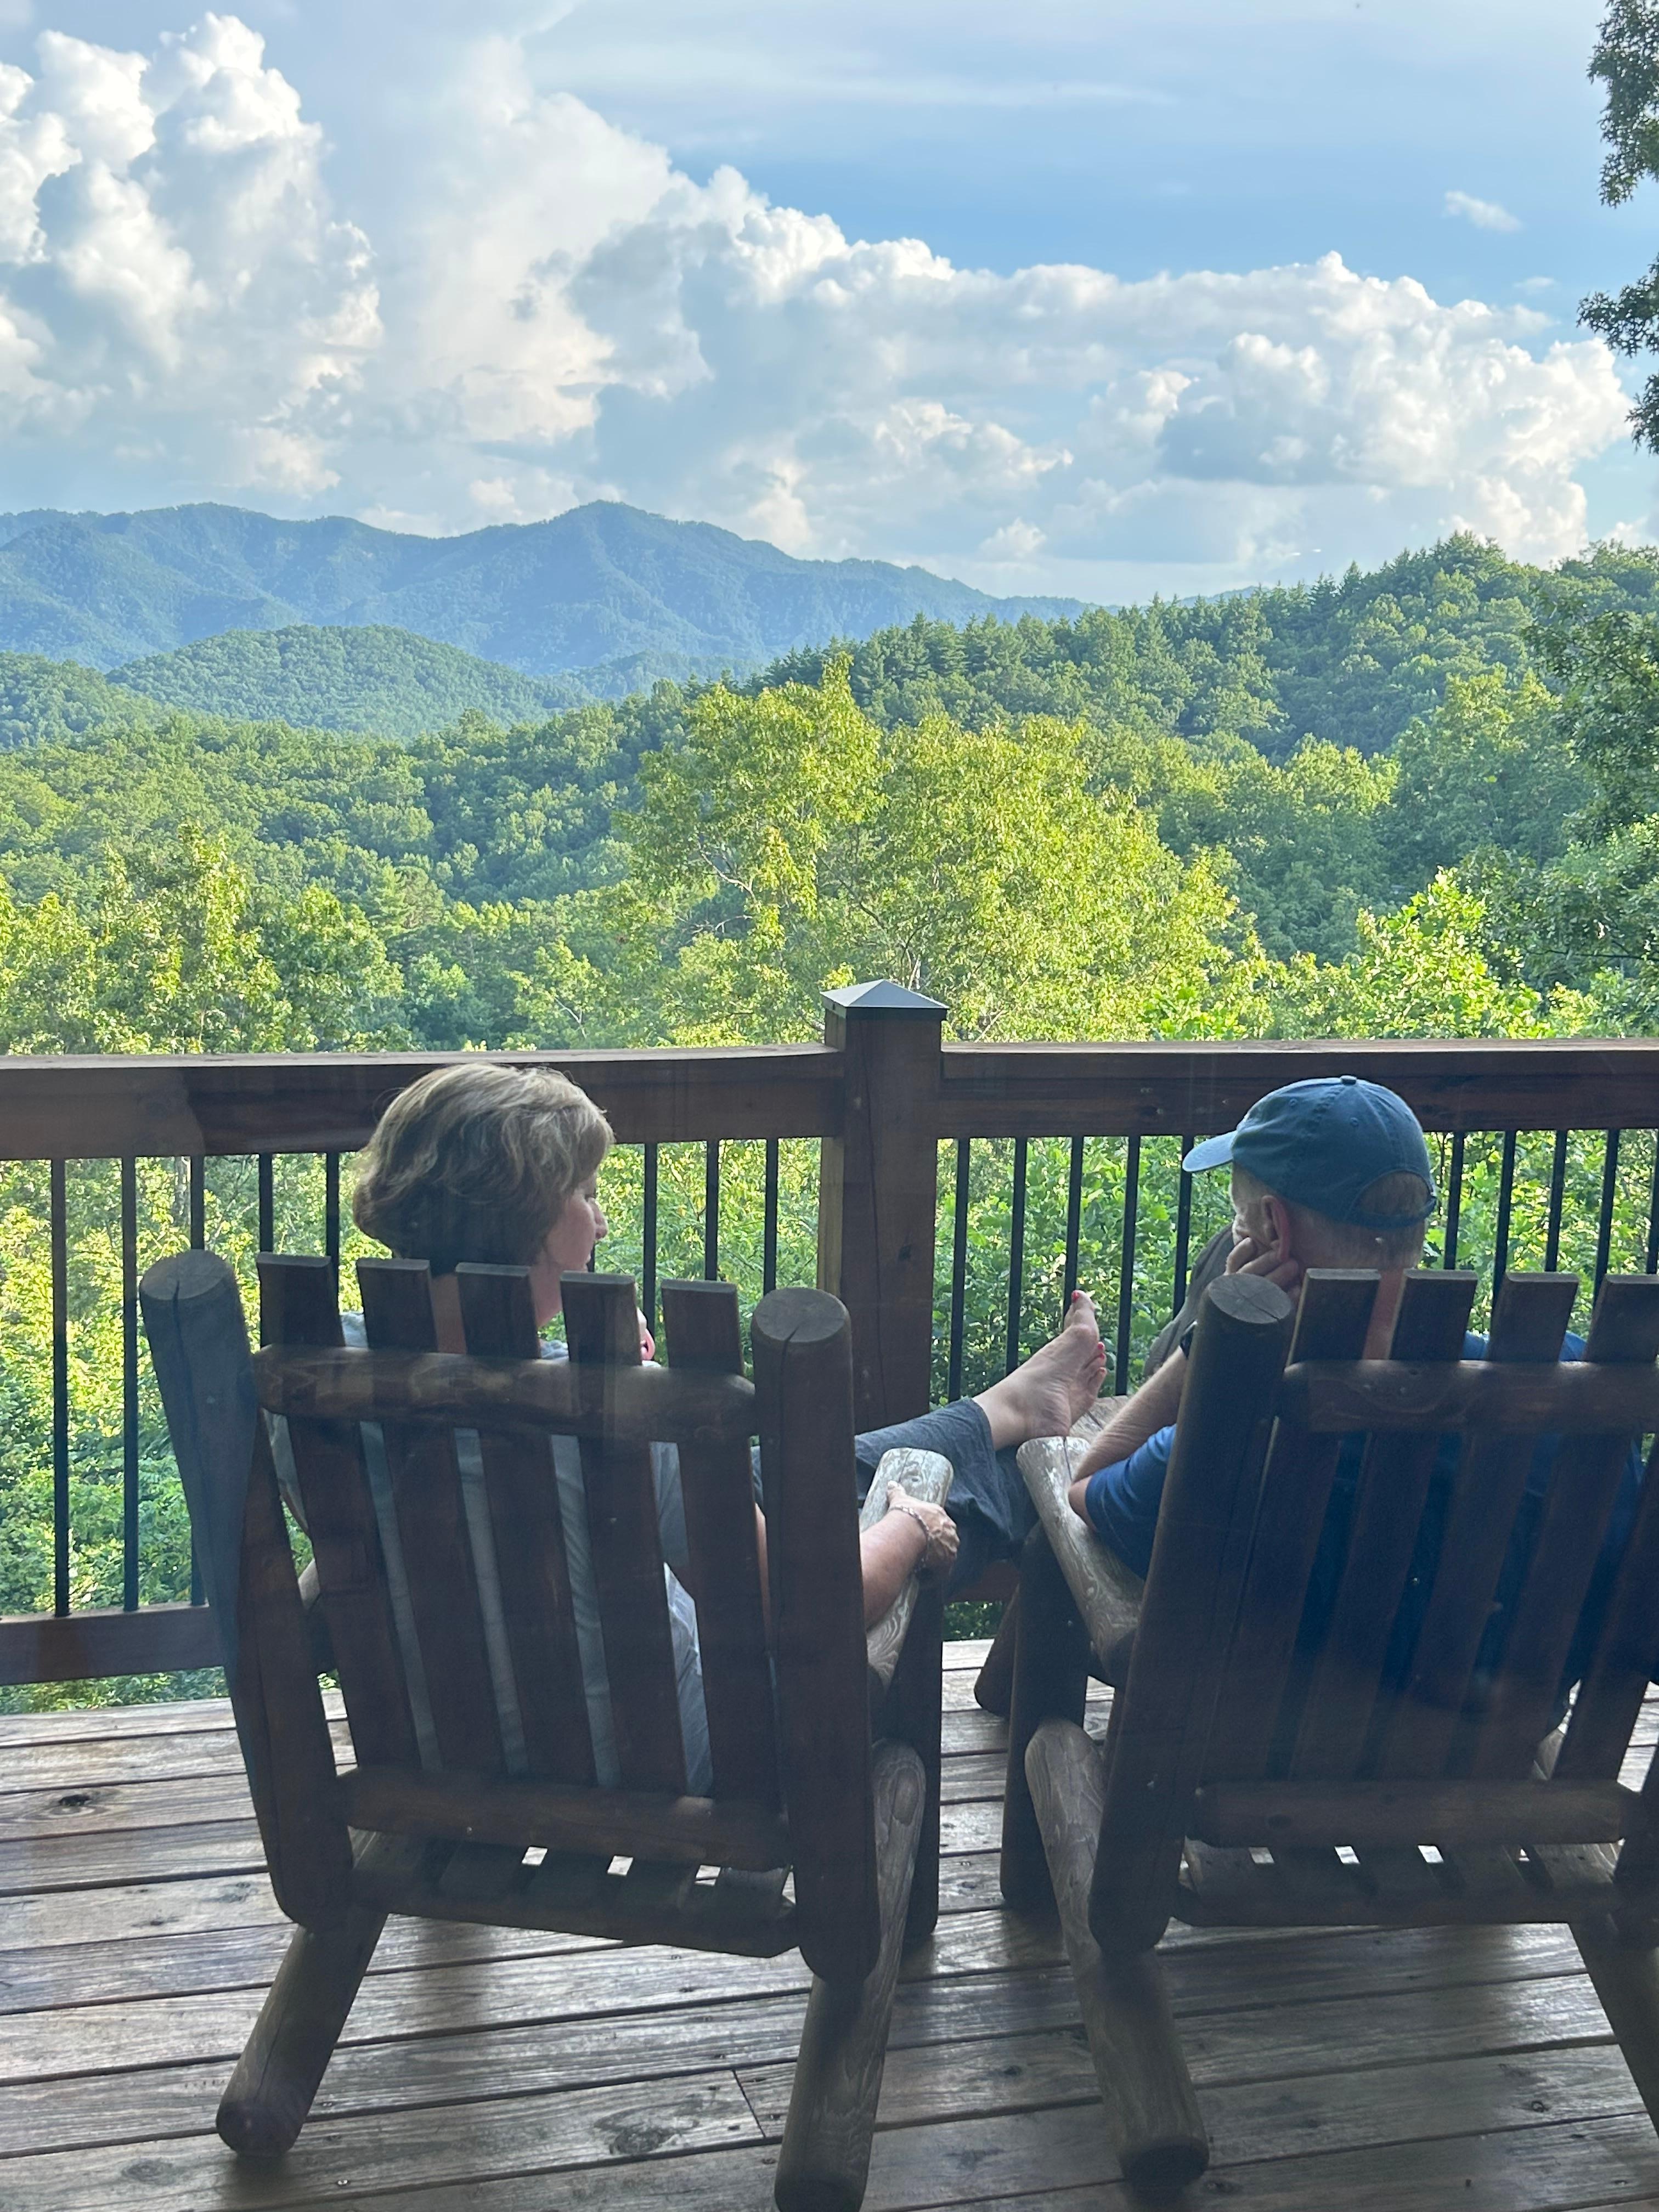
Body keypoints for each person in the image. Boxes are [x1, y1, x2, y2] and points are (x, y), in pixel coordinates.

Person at [343, 1062, 1107, 1792]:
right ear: (531, 1225)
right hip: (666, 1747)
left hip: (442, 1743)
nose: (600, 1219)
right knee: (955, 1493)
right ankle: (1008, 1430)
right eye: (584, 1193)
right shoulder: (613, 1408)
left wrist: (594, 1367)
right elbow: (815, 1606)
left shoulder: (326, 1378)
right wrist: (908, 1525)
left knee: (762, 1475)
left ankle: (1002, 1410)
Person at [1068, 1075, 1641, 1727]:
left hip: (1267, 1765)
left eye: (1237, 1220)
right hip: (1496, 1751)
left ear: (1274, 1232)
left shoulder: (1244, 1432)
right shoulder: (1575, 1386)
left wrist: (1213, 1343)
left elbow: (1086, 1487)